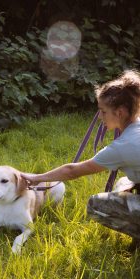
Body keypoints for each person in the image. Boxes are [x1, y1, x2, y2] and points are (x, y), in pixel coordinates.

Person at [21, 70, 140, 251]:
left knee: (97, 205)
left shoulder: (124, 146)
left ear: (120, 112)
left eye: (103, 111)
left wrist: (36, 178)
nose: (100, 117)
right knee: (124, 183)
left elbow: (72, 171)